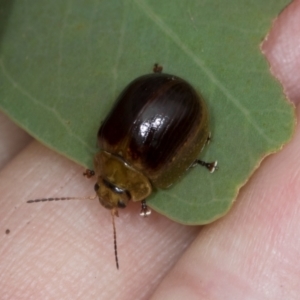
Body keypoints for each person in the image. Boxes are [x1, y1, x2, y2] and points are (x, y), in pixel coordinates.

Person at [0, 1, 299, 298]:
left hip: (175, 100)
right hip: (172, 99)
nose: (108, 198)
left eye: (100, 185)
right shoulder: (108, 141)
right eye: (117, 198)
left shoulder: (139, 164)